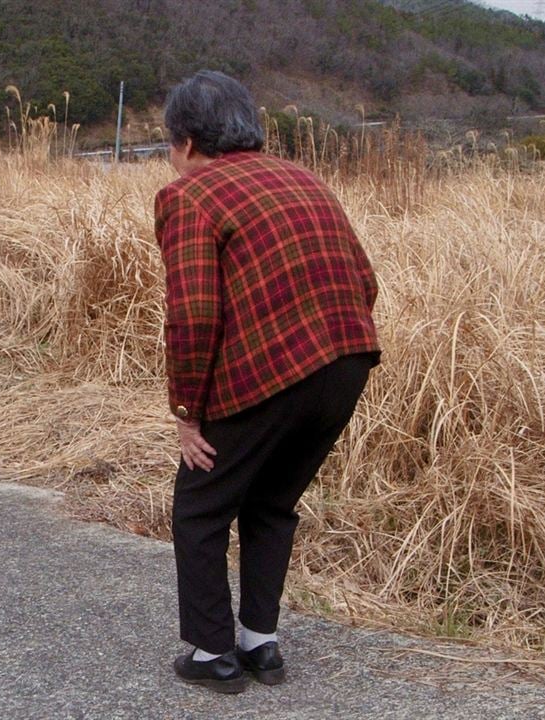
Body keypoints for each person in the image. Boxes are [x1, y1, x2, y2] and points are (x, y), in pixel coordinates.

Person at [155, 70, 380, 693]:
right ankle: (260, 643)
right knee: (272, 501)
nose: (172, 160)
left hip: (273, 371)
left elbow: (194, 315)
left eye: (170, 146)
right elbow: (365, 281)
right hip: (350, 358)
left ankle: (211, 654)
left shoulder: (191, 195)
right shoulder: (306, 179)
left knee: (200, 505)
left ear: (189, 143)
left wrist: (186, 410)